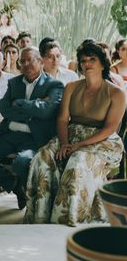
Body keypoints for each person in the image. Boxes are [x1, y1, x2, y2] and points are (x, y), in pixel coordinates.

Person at [24, 41, 125, 225]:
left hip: (102, 141)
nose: (87, 64)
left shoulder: (117, 93)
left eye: (92, 59)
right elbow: (62, 119)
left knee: (77, 161)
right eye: (83, 60)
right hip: (70, 135)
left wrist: (79, 146)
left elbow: (110, 128)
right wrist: (64, 144)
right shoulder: (71, 87)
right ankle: (39, 216)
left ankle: (68, 217)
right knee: (42, 157)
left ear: (103, 63)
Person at [0, 47, 64, 209]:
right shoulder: (14, 82)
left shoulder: (54, 85)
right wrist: (34, 108)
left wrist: (19, 104)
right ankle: (17, 187)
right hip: (8, 135)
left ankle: (31, 198)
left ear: (40, 62)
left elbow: (46, 111)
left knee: (21, 162)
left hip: (33, 138)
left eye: (29, 60)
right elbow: (5, 110)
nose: (25, 64)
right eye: (22, 61)